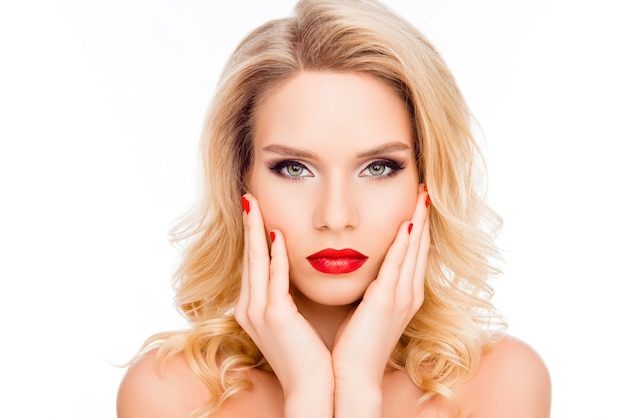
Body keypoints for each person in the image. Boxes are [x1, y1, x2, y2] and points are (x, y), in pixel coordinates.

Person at [117, 0, 551, 416]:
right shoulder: (170, 394)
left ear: (427, 178)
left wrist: (358, 389)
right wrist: (309, 394)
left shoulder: (499, 382)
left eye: (378, 167)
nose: (337, 216)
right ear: (239, 180)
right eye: (294, 168)